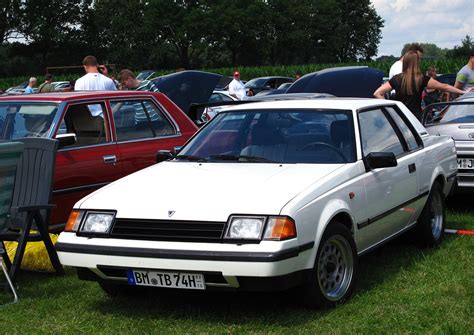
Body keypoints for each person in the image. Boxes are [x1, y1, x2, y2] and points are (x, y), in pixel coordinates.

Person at [374, 51, 469, 120]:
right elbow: (445, 86)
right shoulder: (421, 78)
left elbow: (377, 93)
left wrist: (390, 110)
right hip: (415, 118)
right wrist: (463, 92)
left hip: (400, 117)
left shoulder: (396, 79)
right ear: (417, 62)